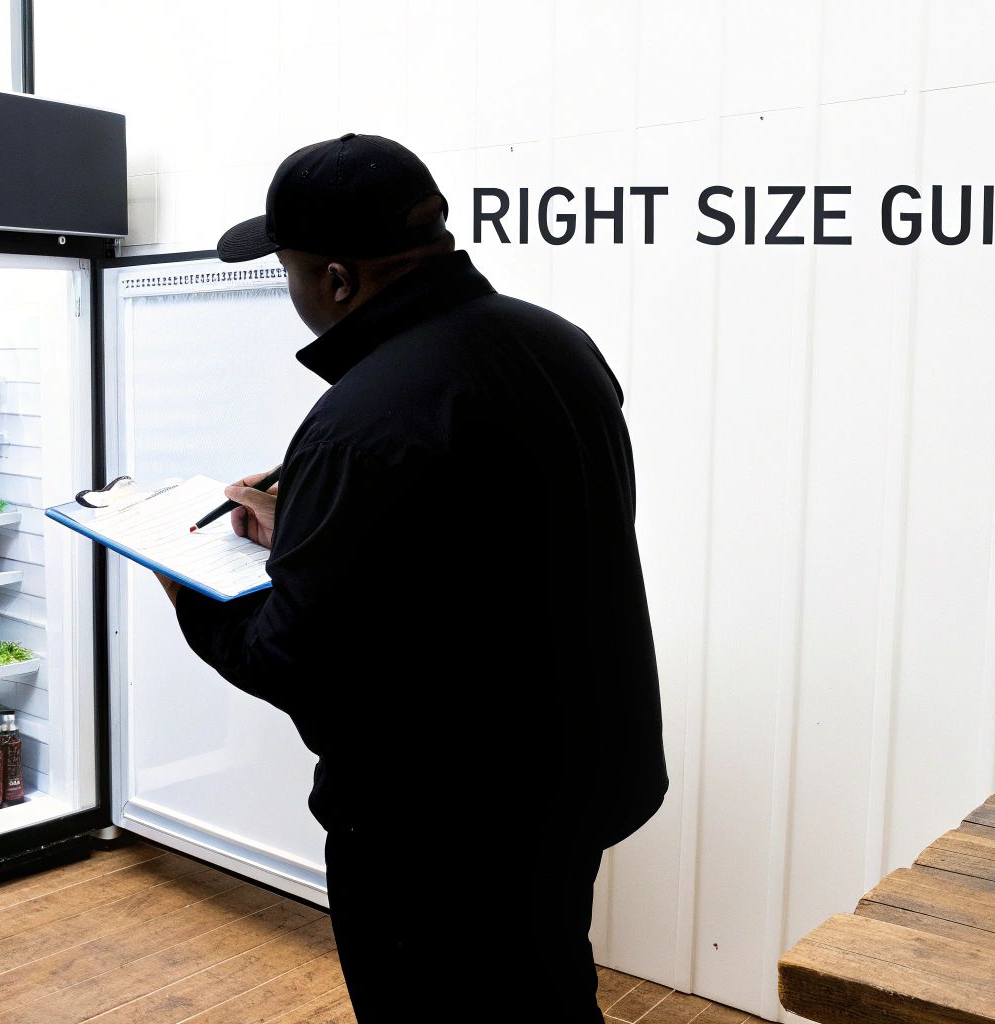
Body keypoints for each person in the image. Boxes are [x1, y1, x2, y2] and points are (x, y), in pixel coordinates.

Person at [156, 133, 666, 1021]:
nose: (291, 290)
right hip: (570, 773)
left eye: (288, 270)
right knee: (547, 987)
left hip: (436, 826)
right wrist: (313, 526)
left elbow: (291, 659)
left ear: (338, 280)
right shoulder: (556, 344)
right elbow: (484, 540)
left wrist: (186, 583)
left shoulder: (360, 418)